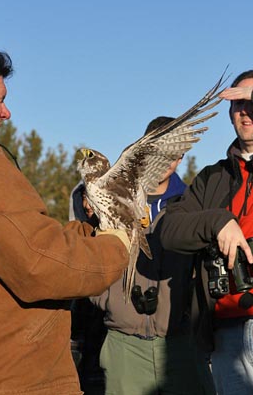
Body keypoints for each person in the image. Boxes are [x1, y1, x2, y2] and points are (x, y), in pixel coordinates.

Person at [0, 43, 130, 395]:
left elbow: (23, 242)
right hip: (14, 379)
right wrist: (117, 243)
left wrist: (92, 230)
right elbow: (41, 264)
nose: (7, 112)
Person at [89, 116, 216, 395]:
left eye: (172, 154)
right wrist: (108, 301)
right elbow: (92, 258)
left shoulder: (191, 203)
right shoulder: (115, 197)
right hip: (124, 343)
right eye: (157, 152)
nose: (165, 160)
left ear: (181, 156)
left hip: (180, 343)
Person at [161, 70, 253, 395]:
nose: (246, 111)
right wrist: (216, 220)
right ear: (230, 113)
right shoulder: (212, 179)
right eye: (239, 103)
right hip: (226, 331)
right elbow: (168, 230)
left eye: (252, 102)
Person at [69, 181, 107, 395]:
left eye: (91, 197)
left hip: (109, 335)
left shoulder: (118, 237)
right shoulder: (73, 237)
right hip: (79, 335)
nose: (86, 204)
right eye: (83, 197)